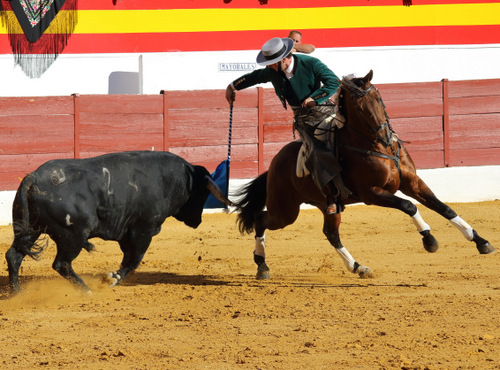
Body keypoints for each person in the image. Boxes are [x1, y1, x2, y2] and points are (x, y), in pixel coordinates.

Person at [225, 37, 350, 214]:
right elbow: (254, 77)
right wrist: (232, 86)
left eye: (272, 63)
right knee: (315, 149)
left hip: (325, 111)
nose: (269, 67)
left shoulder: (311, 63)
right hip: (304, 121)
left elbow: (333, 82)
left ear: (284, 58)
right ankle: (331, 195)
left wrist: (315, 98)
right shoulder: (272, 72)